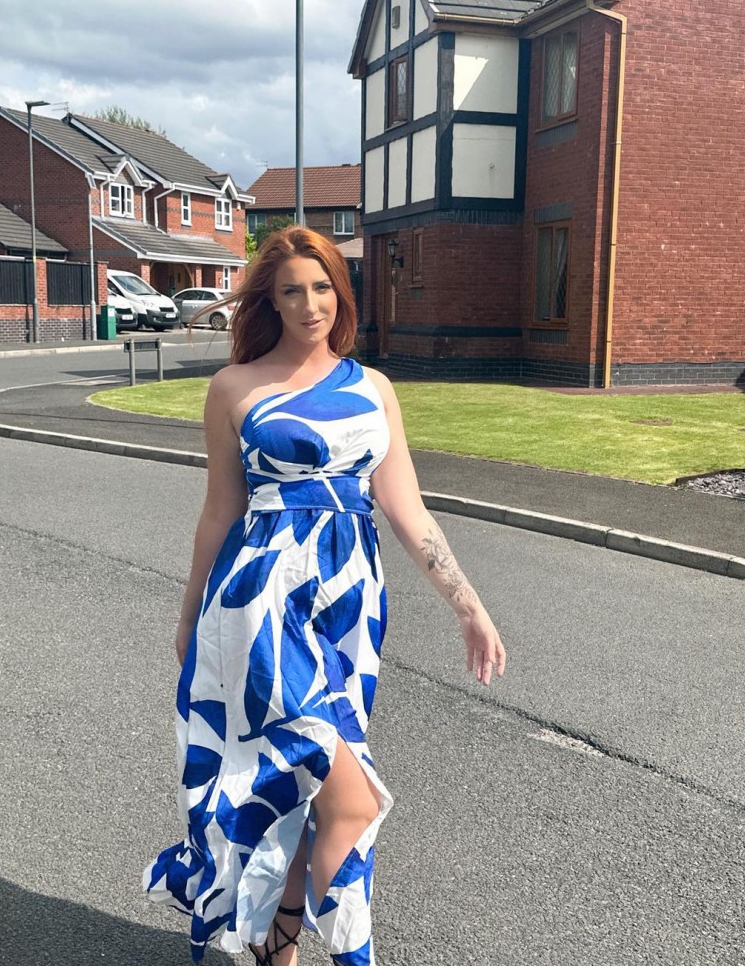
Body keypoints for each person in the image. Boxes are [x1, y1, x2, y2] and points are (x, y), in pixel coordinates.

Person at [143, 226, 506, 966]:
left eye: (322, 287)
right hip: (259, 602)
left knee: (303, 793)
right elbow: (219, 512)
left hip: (348, 608)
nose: (310, 305)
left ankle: (276, 953)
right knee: (351, 798)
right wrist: (189, 617)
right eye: (291, 291)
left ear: (341, 293)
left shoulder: (373, 389)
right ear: (270, 302)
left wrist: (468, 605)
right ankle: (349, 954)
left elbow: (407, 508)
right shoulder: (235, 387)